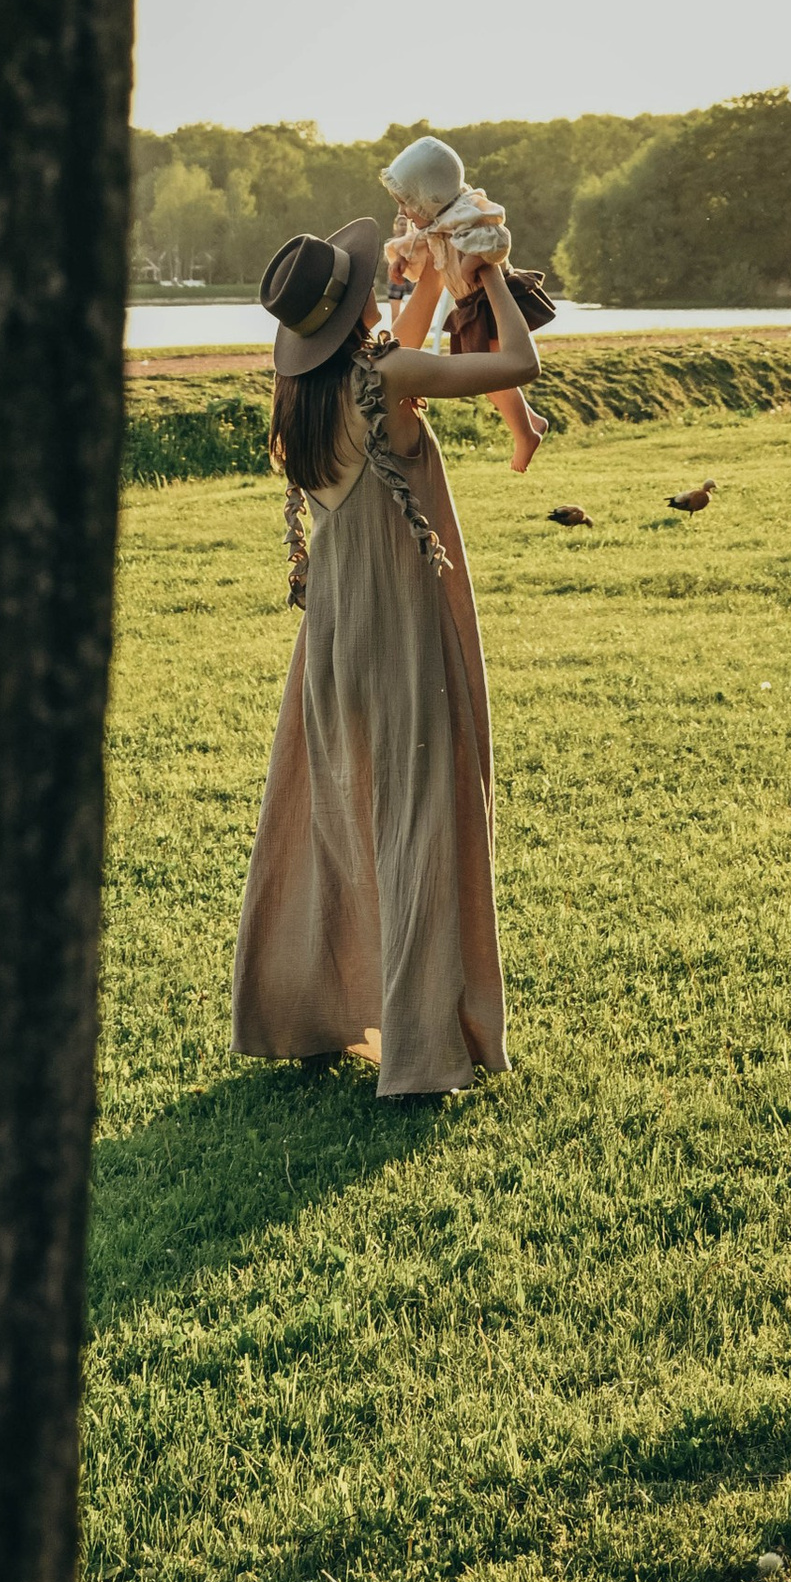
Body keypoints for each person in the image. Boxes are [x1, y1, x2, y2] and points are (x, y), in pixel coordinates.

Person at [230, 216, 541, 1098]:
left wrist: (440, 272)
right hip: (400, 634)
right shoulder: (389, 379)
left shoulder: (311, 397)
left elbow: (399, 346)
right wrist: (494, 280)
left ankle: (311, 1011)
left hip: (330, 642)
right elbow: (519, 367)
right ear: (357, 302)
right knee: (419, 821)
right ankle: (420, 1054)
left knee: (333, 820)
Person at [380, 131, 552, 474]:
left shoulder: (467, 213)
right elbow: (421, 245)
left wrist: (474, 261)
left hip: (491, 304)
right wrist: (402, 258)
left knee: (495, 373)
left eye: (408, 203)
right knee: (489, 378)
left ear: (431, 197)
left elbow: (497, 237)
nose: (403, 211)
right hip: (472, 303)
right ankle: (530, 420)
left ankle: (525, 434)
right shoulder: (438, 222)